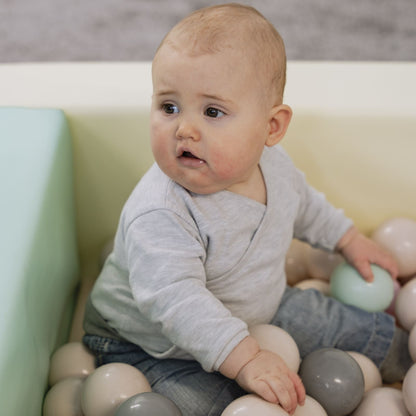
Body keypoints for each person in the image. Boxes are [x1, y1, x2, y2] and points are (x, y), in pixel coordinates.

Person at [83, 4, 411, 415]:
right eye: (169, 107)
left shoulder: (273, 165)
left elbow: (304, 205)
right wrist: (248, 359)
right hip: (151, 344)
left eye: (213, 111)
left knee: (340, 324)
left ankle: (403, 354)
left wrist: (348, 240)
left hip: (258, 306)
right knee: (213, 404)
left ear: (270, 127)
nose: (185, 128)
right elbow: (179, 303)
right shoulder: (161, 212)